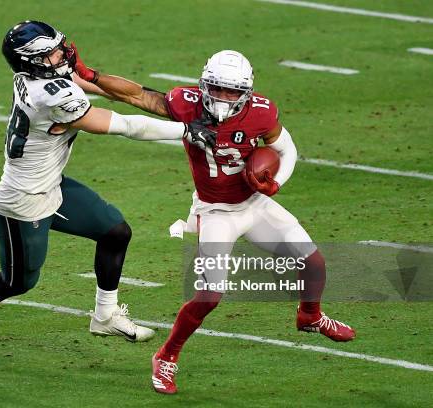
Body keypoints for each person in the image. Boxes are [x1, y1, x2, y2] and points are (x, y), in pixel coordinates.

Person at [73, 48, 356, 394]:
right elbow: (137, 95)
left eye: (232, 91)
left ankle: (309, 316)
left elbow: (288, 149)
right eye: (217, 88)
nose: (223, 97)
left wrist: (277, 182)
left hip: (254, 204)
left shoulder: (262, 112)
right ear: (205, 84)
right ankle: (166, 356)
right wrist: (92, 76)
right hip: (215, 211)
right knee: (209, 295)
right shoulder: (187, 103)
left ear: (247, 92)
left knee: (313, 264)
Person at [0, 21, 217, 352]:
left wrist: (164, 103)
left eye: (57, 48)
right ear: (30, 61)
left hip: (51, 184)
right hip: (24, 201)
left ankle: (105, 316)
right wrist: (184, 129)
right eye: (49, 54)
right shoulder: (49, 95)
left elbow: (112, 90)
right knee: (17, 282)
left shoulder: (38, 76)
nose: (60, 55)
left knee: (115, 232)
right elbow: (123, 126)